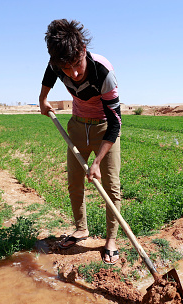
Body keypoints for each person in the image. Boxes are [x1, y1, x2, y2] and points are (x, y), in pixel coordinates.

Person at [39, 19, 122, 264]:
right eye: (67, 68)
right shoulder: (58, 63)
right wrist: (43, 98)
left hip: (104, 128)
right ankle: (81, 229)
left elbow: (116, 123)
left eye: (77, 64)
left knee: (111, 187)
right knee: (74, 183)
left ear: (83, 50)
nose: (74, 73)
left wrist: (97, 161)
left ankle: (111, 239)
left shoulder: (103, 72)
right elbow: (49, 74)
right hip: (76, 126)